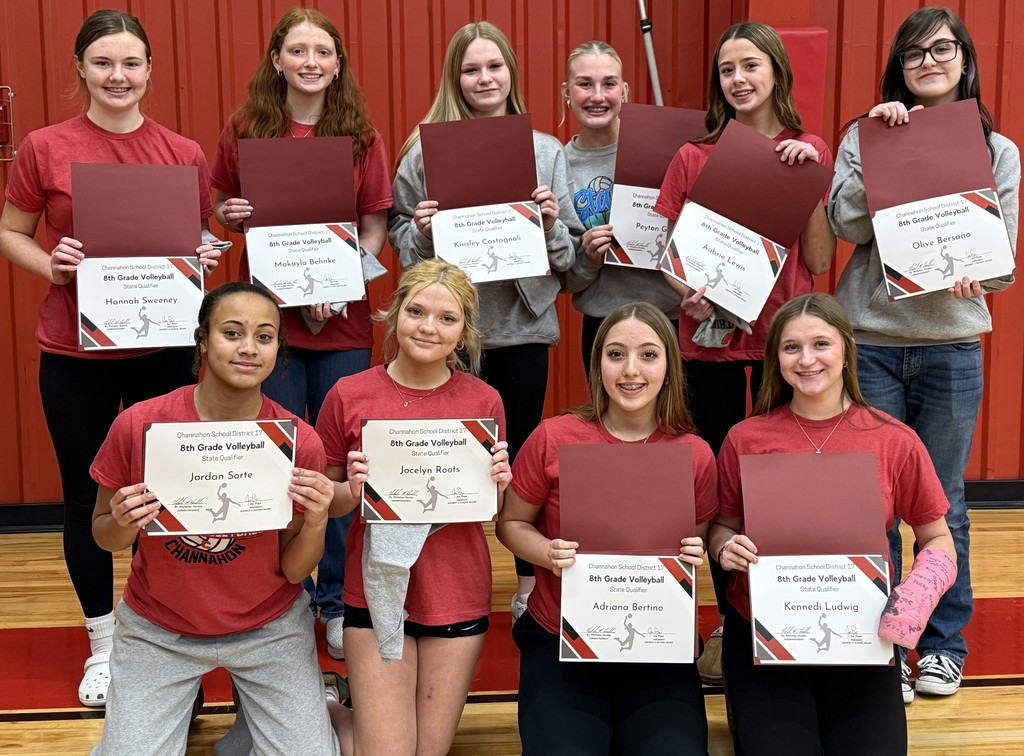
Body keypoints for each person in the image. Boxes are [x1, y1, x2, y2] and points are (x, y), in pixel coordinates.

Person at [0, 9, 220, 706]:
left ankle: (169, 631)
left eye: (130, 63)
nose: (117, 76)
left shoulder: (182, 152)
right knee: (85, 496)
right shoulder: (45, 146)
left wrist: (206, 254)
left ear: (149, 70)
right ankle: (104, 644)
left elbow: (197, 240)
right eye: (103, 63)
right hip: (75, 351)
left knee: (169, 495)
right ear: (81, 71)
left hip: (162, 350)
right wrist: (53, 265)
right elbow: (11, 232)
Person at [828, 6, 1019, 701]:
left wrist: (981, 270)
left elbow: (1000, 266)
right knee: (869, 504)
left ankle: (940, 646)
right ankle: (880, 648)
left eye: (942, 49)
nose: (929, 61)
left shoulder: (998, 152)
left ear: (965, 60)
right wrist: (880, 148)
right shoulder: (866, 132)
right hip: (870, 342)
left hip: (949, 346)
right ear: (899, 68)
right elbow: (843, 220)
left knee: (946, 507)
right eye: (914, 54)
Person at [652, 21, 836, 684]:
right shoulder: (693, 158)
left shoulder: (810, 149)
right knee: (720, 501)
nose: (739, 79)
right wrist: (689, 296)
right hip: (711, 354)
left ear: (776, 73)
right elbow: (670, 263)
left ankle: (782, 614)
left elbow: (817, 259)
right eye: (727, 69)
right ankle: (727, 625)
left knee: (785, 492)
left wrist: (807, 182)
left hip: (786, 354)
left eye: (750, 66)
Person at [88, 282, 340, 755]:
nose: (249, 348)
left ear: (277, 351)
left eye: (264, 337)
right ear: (202, 339)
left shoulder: (297, 441)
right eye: (232, 333)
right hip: (160, 628)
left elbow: (291, 570)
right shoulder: (140, 425)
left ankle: (266, 723)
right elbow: (104, 537)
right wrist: (122, 520)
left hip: (270, 626)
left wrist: (318, 520)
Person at [212, 6, 394, 661]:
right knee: (276, 456)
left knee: (341, 464)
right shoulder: (246, 129)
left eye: (324, 51)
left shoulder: (360, 135)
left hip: (340, 322)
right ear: (279, 59)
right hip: (266, 326)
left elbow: (373, 224)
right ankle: (277, 601)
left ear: (337, 63)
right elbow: (220, 207)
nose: (312, 61)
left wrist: (340, 282)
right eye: (299, 51)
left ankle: (336, 601)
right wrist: (226, 213)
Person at [389, 20, 583, 622]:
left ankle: (528, 582)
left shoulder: (547, 152)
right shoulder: (425, 154)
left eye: (494, 67)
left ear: (511, 74)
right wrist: (419, 231)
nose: (484, 79)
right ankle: (422, 579)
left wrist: (551, 224)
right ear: (456, 77)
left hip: (522, 330)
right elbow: (398, 241)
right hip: (447, 334)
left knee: (520, 463)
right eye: (471, 69)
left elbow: (570, 257)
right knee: (438, 459)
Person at [708, 292, 956, 755]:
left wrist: (916, 596)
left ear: (846, 349)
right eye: (791, 348)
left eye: (820, 344)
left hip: (861, 635)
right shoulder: (746, 438)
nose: (806, 360)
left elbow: (938, 537)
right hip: (765, 638)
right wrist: (725, 548)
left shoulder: (893, 440)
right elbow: (721, 525)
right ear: (775, 359)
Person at [497, 302, 716, 756]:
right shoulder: (555, 437)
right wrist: (546, 552)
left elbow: (689, 550)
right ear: (598, 365)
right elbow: (511, 523)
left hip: (656, 641)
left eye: (648, 355)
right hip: (561, 638)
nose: (631, 370)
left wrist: (696, 552)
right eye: (616, 354)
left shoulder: (694, 454)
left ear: (670, 366)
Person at [315, 259, 512, 755]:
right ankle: (334, 713)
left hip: (455, 588)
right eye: (417, 311)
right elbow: (327, 502)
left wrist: (499, 484)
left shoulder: (484, 400)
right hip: (375, 592)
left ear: (464, 331)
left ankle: (343, 710)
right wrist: (354, 489)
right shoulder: (348, 394)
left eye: (447, 319)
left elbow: (490, 511)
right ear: (393, 313)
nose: (428, 327)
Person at [560, 40, 681, 372]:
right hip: (603, 323)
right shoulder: (557, 164)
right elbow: (563, 279)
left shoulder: (665, 153)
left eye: (609, 84)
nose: (597, 96)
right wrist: (588, 259)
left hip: (669, 319)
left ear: (624, 91)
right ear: (567, 91)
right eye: (585, 84)